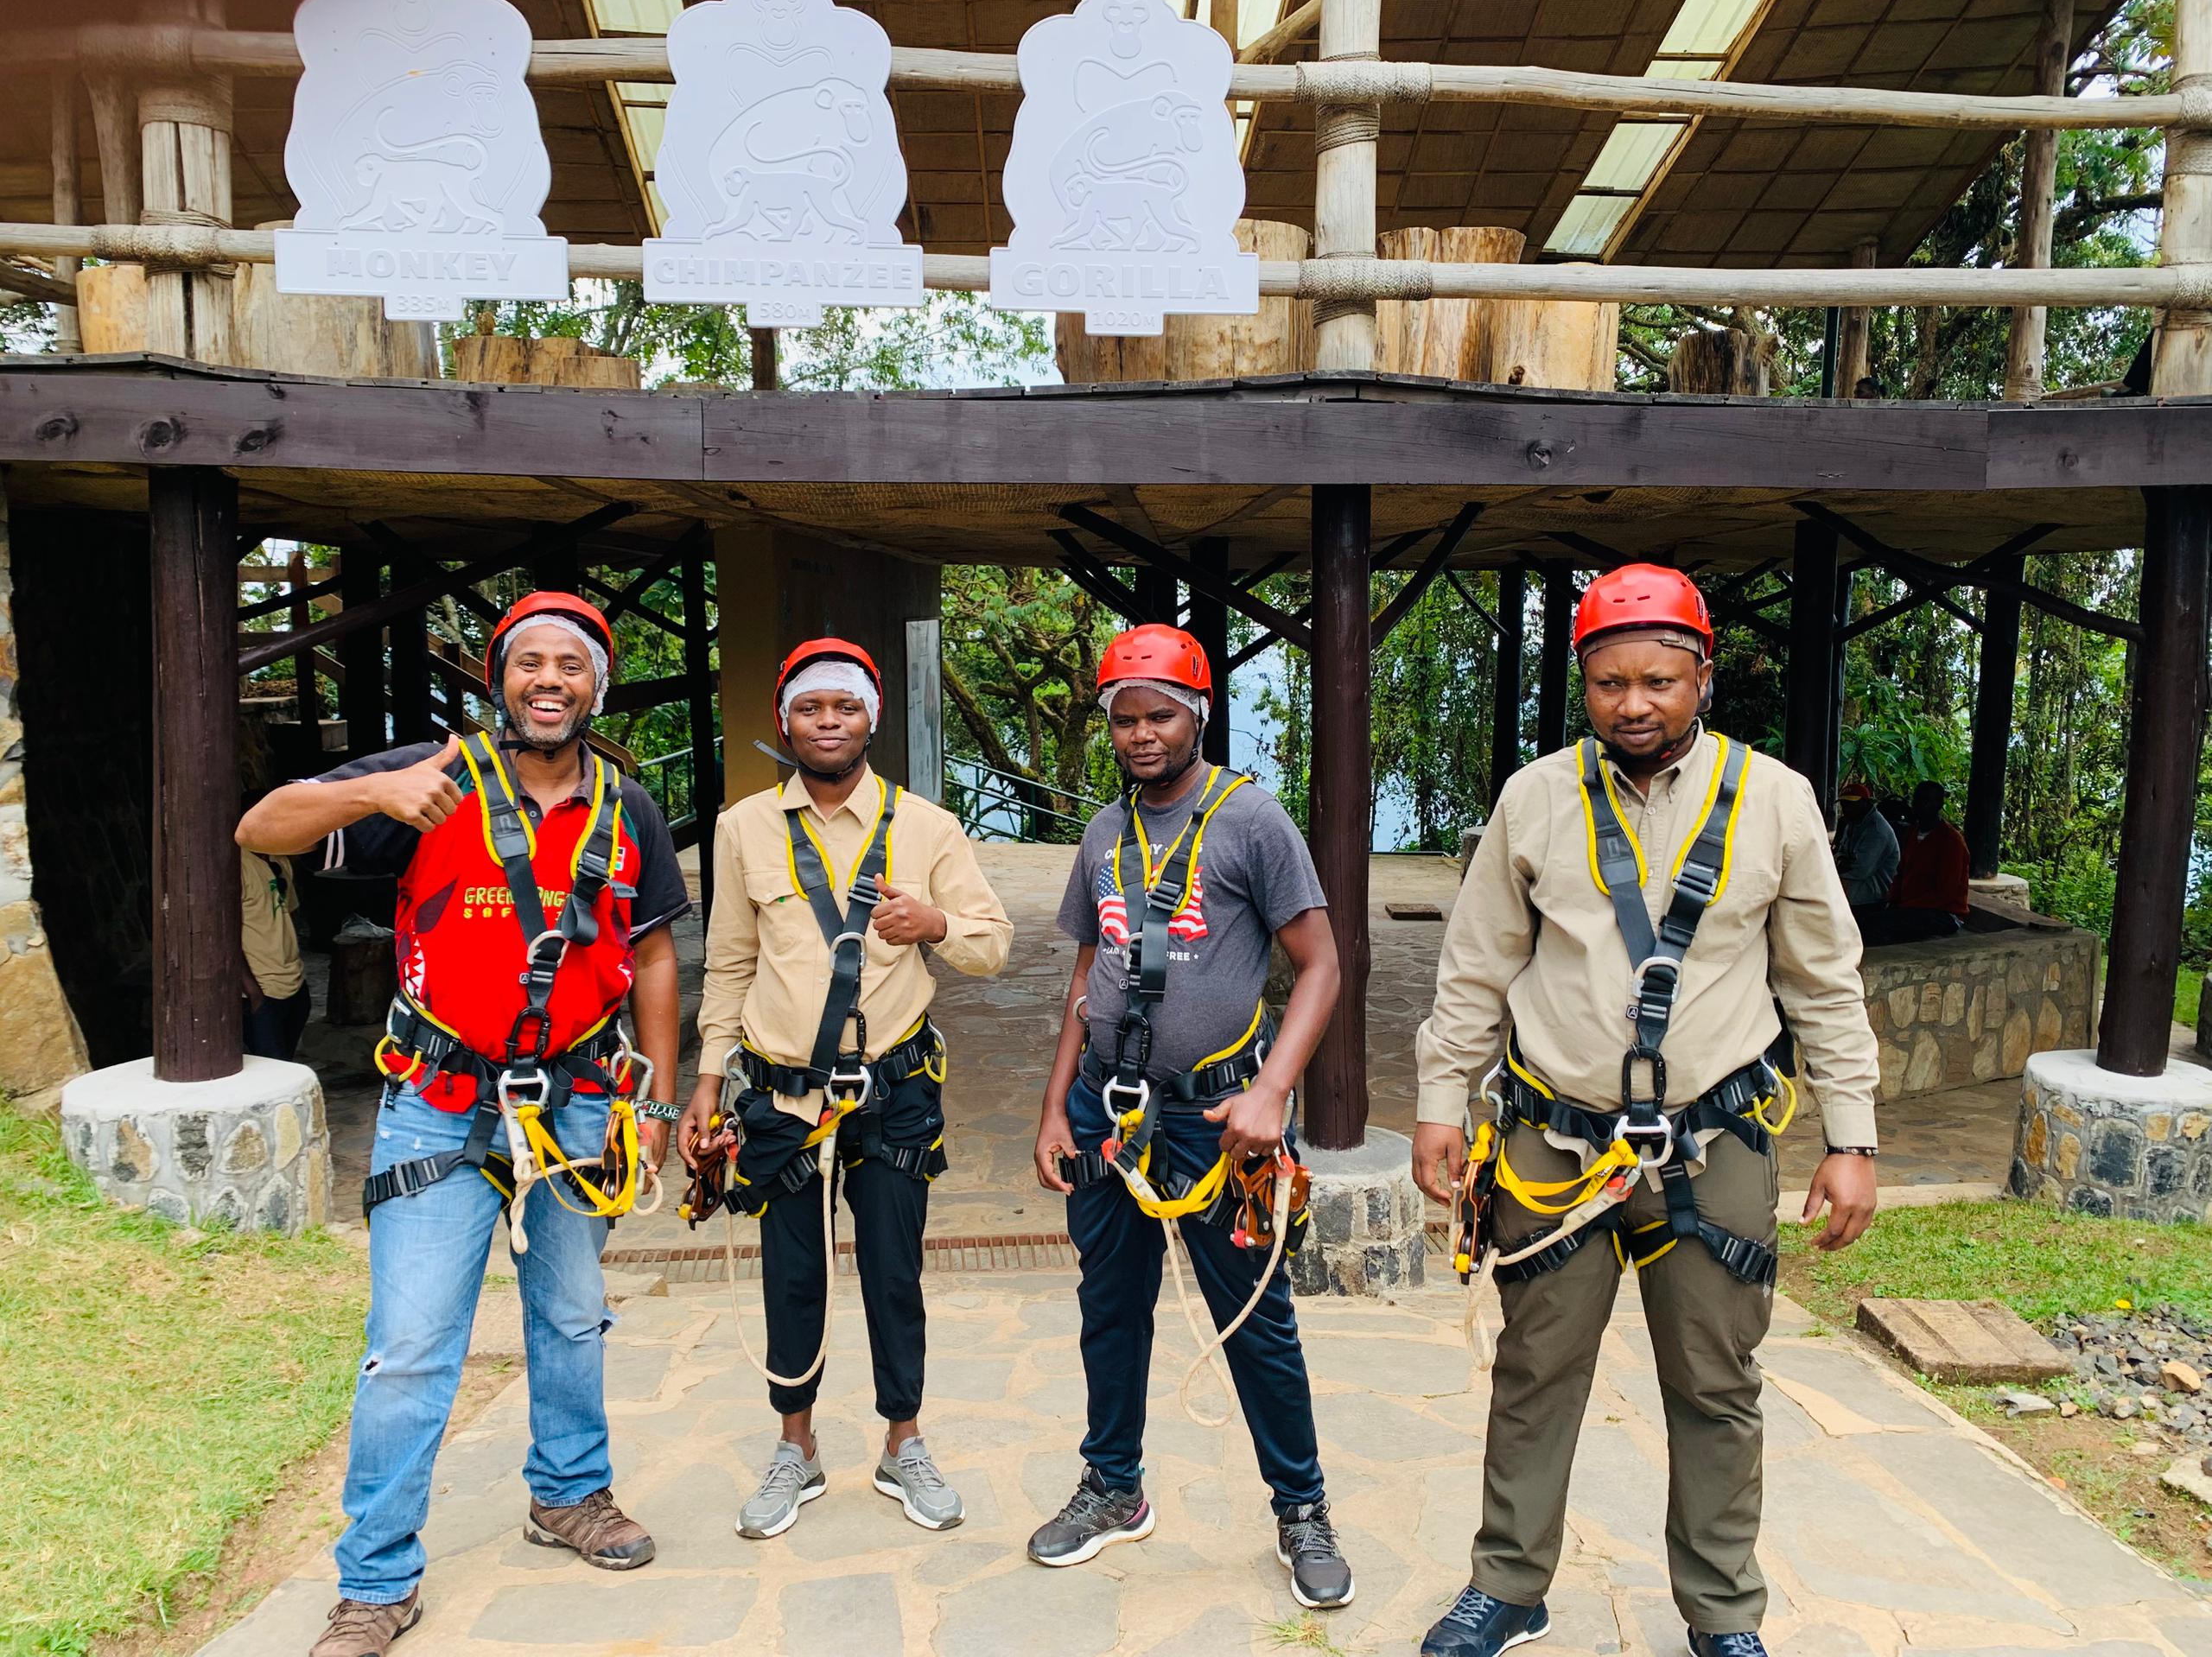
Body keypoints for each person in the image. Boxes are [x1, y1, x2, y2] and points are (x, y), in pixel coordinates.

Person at [1409, 565, 1880, 1657]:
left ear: (1703, 677)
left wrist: (1851, 1137)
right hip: (1555, 1142)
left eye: (1658, 681)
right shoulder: (1535, 799)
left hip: (1713, 1141)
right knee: (1534, 1371)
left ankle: (1721, 1614)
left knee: (1716, 1383)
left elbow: (1823, 981)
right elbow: (1475, 966)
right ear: (1584, 683)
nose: (1633, 704)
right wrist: (1440, 1100)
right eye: (1610, 682)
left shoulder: (1773, 801)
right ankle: (1509, 1585)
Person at [237, 592, 690, 1657]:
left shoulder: (628, 808)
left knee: (571, 1315)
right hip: (440, 1102)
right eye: (529, 662)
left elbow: (654, 952)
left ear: (596, 687)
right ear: (500, 681)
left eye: (571, 666)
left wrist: (658, 1103)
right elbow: (260, 828)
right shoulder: (431, 778)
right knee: (410, 1347)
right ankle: (376, 1581)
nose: (549, 680)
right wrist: (375, 792)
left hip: (579, 1098)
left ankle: (568, 1493)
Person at [1027, 624, 1355, 1611]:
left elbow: (1321, 964)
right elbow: (1088, 974)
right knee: (1109, 1306)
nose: (1140, 735)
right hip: (1108, 1108)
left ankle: (1301, 1508)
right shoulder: (1103, 832)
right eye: (1123, 719)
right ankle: (1111, 1485)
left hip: (1217, 1116)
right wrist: (1054, 1108)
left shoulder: (1250, 821)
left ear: (1198, 716)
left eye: (1159, 716)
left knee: (1254, 1317)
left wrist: (1272, 1090)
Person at [679, 638, 1011, 1541]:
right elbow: (729, 963)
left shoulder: (927, 827)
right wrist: (706, 1081)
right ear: (784, 721)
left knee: (894, 1271)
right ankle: (797, 1447)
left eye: (846, 706)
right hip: (780, 1095)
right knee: (793, 1275)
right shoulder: (743, 827)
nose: (828, 722)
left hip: (893, 1089)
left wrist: (934, 923)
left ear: (873, 718)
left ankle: (905, 1443)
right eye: (811, 708)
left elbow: (992, 944)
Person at [1859, 780, 1970, 945]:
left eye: (1927, 800)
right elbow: (1901, 873)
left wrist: (1906, 906)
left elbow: (1946, 893)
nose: (1919, 806)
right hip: (1911, 907)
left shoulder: (1951, 841)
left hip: (1943, 913)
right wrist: (1892, 900)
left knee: (1879, 928)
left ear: (1939, 804)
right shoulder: (1913, 832)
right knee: (1864, 917)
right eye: (1917, 800)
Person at [241, 843, 311, 1062]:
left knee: (284, 1064)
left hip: (294, 981)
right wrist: (253, 992)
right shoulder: (237, 865)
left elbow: (285, 914)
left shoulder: (279, 859)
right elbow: (223, 936)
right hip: (262, 987)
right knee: (269, 1067)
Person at [1831, 779, 1899, 917]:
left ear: (1865, 803)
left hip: (1873, 893)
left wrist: (1839, 866)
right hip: (1856, 886)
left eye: (1851, 805)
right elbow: (1840, 852)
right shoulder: (1853, 823)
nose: (1846, 809)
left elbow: (1861, 870)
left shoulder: (1877, 830)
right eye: (1844, 805)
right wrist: (1841, 860)